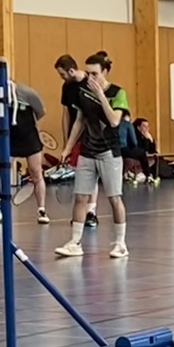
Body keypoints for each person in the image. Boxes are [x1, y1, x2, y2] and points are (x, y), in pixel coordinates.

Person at [54, 51, 129, 259]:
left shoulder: (118, 93)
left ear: (104, 72)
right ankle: (75, 243)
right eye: (88, 73)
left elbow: (114, 121)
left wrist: (101, 96)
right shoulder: (83, 92)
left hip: (109, 153)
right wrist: (68, 148)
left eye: (95, 74)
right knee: (80, 197)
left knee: (115, 199)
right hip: (88, 152)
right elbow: (80, 121)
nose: (91, 78)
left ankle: (120, 244)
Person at [0, 81, 50, 224]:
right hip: (8, 138)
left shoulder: (28, 93)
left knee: (36, 172)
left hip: (29, 137)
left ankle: (41, 210)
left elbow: (41, 112)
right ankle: (0, 208)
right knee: (3, 173)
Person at [55, 55, 99, 229]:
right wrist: (67, 143)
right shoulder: (66, 87)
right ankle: (83, 213)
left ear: (72, 70)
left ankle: (91, 212)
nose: (61, 78)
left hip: (92, 134)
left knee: (91, 174)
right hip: (76, 134)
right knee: (81, 175)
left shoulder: (90, 83)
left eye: (62, 74)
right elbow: (66, 114)